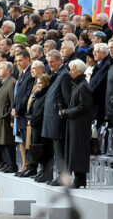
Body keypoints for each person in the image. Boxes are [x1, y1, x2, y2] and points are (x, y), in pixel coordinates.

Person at [41, 50, 72, 186]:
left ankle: (63, 177)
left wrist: (61, 112)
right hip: (52, 118)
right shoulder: (56, 74)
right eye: (48, 62)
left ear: (60, 60)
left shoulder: (64, 75)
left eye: (53, 62)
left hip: (58, 119)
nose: (50, 64)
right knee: (56, 149)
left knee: (60, 150)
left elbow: (67, 98)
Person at [60, 59, 93, 189]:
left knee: (78, 150)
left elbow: (83, 106)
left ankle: (80, 180)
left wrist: (67, 112)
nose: (70, 72)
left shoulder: (83, 86)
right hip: (74, 123)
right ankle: (79, 179)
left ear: (79, 71)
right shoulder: (77, 84)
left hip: (80, 125)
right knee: (74, 150)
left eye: (72, 70)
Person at [0, 61, 17, 173]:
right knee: (2, 143)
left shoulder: (11, 82)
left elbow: (13, 102)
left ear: (8, 70)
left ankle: (11, 165)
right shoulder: (3, 82)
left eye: (1, 68)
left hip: (5, 118)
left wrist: (11, 119)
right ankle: (7, 163)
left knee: (7, 142)